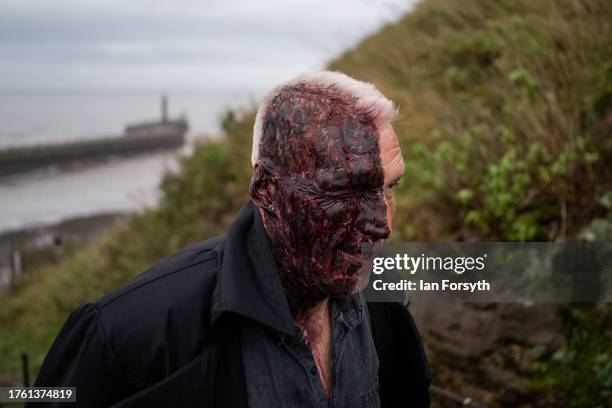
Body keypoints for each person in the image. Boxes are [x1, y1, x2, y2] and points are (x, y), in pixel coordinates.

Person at [32, 71, 431, 408]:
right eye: (345, 192)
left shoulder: (381, 295)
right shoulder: (125, 335)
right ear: (266, 188)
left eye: (389, 188)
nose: (383, 225)